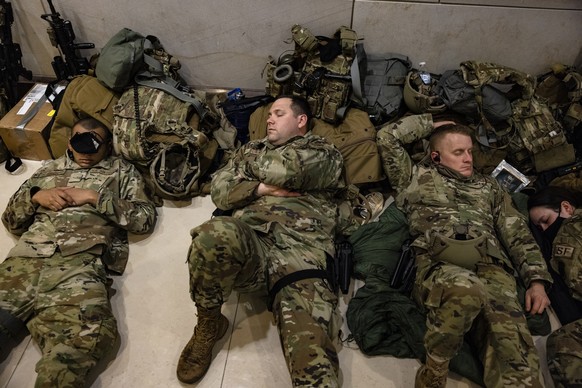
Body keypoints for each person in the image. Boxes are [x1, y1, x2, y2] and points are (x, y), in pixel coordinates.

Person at [176, 95, 345, 387]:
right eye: (268, 115)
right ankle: (209, 325)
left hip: (300, 252)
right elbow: (220, 191)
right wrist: (260, 188)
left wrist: (245, 171)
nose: (269, 119)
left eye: (278, 114)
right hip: (251, 242)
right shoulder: (252, 148)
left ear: (301, 120)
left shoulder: (323, 151)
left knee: (313, 359)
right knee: (211, 234)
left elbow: (288, 170)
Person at [376, 114, 552, 388]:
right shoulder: (414, 177)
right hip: (439, 264)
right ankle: (435, 369)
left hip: (493, 270)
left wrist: (536, 281)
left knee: (517, 362)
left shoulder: (490, 187)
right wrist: (435, 125)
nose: (468, 158)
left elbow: (516, 232)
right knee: (466, 289)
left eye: (469, 151)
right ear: (436, 157)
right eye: (458, 152)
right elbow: (388, 136)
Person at [0, 117, 157, 387]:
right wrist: (35, 196)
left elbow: (143, 218)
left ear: (107, 146)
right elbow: (11, 219)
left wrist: (95, 198)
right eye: (78, 144)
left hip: (79, 264)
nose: (85, 153)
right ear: (70, 144)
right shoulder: (49, 170)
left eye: (94, 145)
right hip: (23, 261)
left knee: (87, 338)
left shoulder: (121, 171)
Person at [528, 185, 582, 387]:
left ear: (566, 208)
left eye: (546, 221)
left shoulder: (568, 232)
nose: (544, 230)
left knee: (562, 345)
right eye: (539, 227)